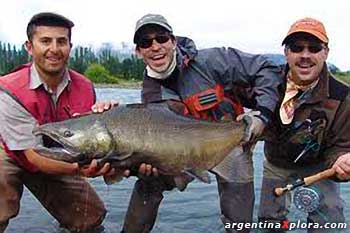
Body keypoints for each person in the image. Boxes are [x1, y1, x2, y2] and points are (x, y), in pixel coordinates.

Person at [121, 13, 284, 233]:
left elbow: (268, 69)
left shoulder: (212, 61)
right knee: (148, 182)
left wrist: (262, 114)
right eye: (145, 42)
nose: (155, 46)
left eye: (161, 38)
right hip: (184, 153)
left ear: (173, 41)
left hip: (233, 146)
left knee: (239, 224)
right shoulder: (150, 92)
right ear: (138, 52)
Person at [0, 12, 122, 232]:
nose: (54, 49)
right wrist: (80, 170)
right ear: (29, 46)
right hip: (10, 152)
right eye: (45, 41)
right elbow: (32, 156)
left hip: (57, 154)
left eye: (61, 41)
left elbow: (86, 143)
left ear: (70, 46)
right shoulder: (9, 89)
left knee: (90, 218)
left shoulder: (85, 87)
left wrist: (109, 121)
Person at [258, 17, 350, 232]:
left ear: (325, 53)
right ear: (286, 53)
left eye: (314, 48)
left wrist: (342, 162)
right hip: (276, 163)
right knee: (269, 222)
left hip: (320, 165)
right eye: (297, 48)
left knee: (330, 221)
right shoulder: (268, 83)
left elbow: (343, 145)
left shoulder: (343, 96)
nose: (305, 55)